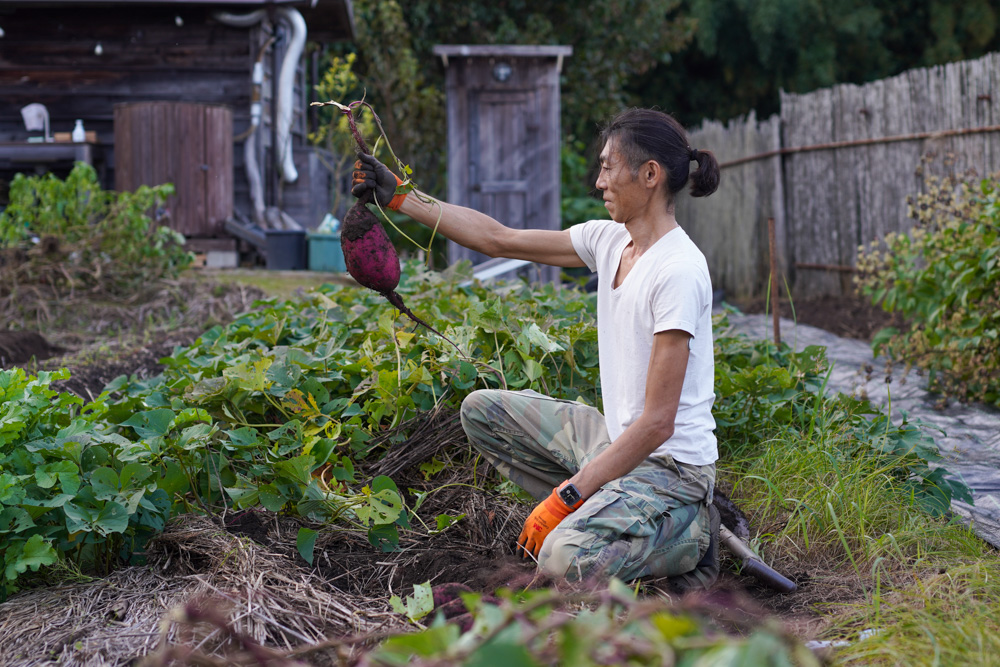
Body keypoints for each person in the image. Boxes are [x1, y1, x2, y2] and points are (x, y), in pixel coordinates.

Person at [351, 108, 722, 588]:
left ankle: (690, 534)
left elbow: (657, 424)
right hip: (616, 440)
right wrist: (401, 197)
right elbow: (498, 239)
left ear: (650, 174)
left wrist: (567, 496)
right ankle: (616, 514)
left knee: (563, 559)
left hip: (671, 470)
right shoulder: (610, 241)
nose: (599, 181)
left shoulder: (678, 271)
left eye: (609, 167)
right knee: (481, 412)